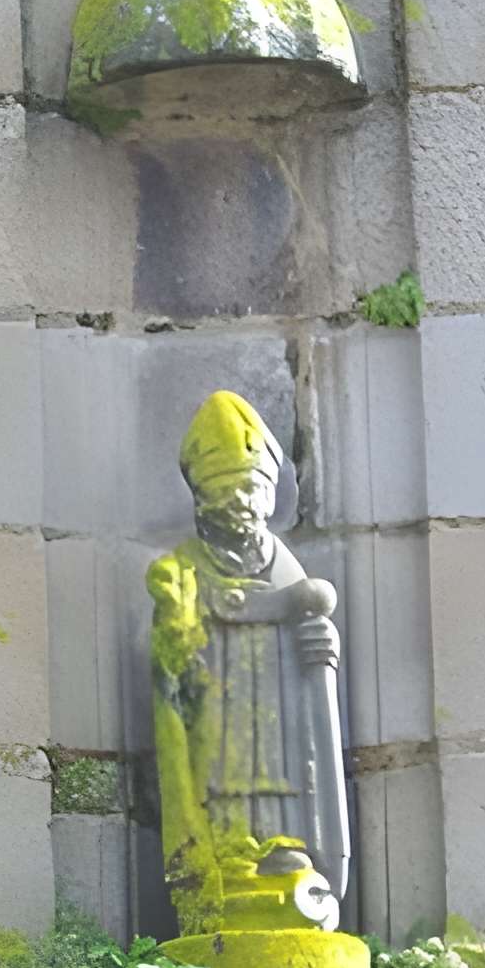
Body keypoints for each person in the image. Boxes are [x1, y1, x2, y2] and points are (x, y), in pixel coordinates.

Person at [148, 389, 349, 934]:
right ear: (201, 499)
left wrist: (320, 650)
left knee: (280, 771)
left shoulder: (286, 568)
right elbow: (169, 664)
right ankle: (224, 852)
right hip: (216, 705)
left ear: (268, 495)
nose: (238, 500)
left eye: (248, 488)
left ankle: (288, 851)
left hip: (277, 709)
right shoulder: (183, 568)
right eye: (222, 489)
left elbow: (309, 627)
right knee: (220, 772)